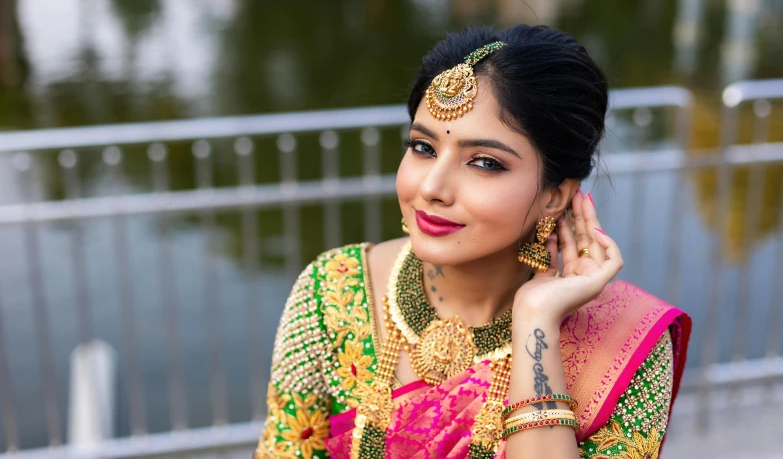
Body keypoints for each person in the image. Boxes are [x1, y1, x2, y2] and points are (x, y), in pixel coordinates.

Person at [254, 25, 691, 459]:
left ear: (555, 196)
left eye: (484, 162)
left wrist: (536, 323)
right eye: (423, 147)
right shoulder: (333, 292)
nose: (433, 187)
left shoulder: (630, 346)